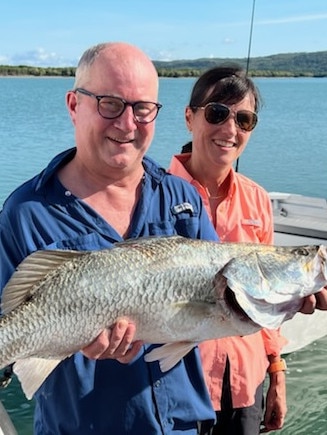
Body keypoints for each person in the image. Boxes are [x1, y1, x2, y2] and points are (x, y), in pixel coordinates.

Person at [0, 42, 220, 435]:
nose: (127, 123)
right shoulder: (24, 212)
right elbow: (9, 322)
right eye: (110, 103)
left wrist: (281, 301)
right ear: (73, 105)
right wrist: (68, 341)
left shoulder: (182, 199)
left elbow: (216, 304)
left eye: (142, 108)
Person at [168, 65, 288, 435]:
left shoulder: (256, 199)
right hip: (175, 384)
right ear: (190, 118)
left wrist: (276, 372)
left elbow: (266, 298)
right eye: (217, 113)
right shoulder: (153, 196)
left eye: (244, 119)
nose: (230, 130)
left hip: (244, 383)